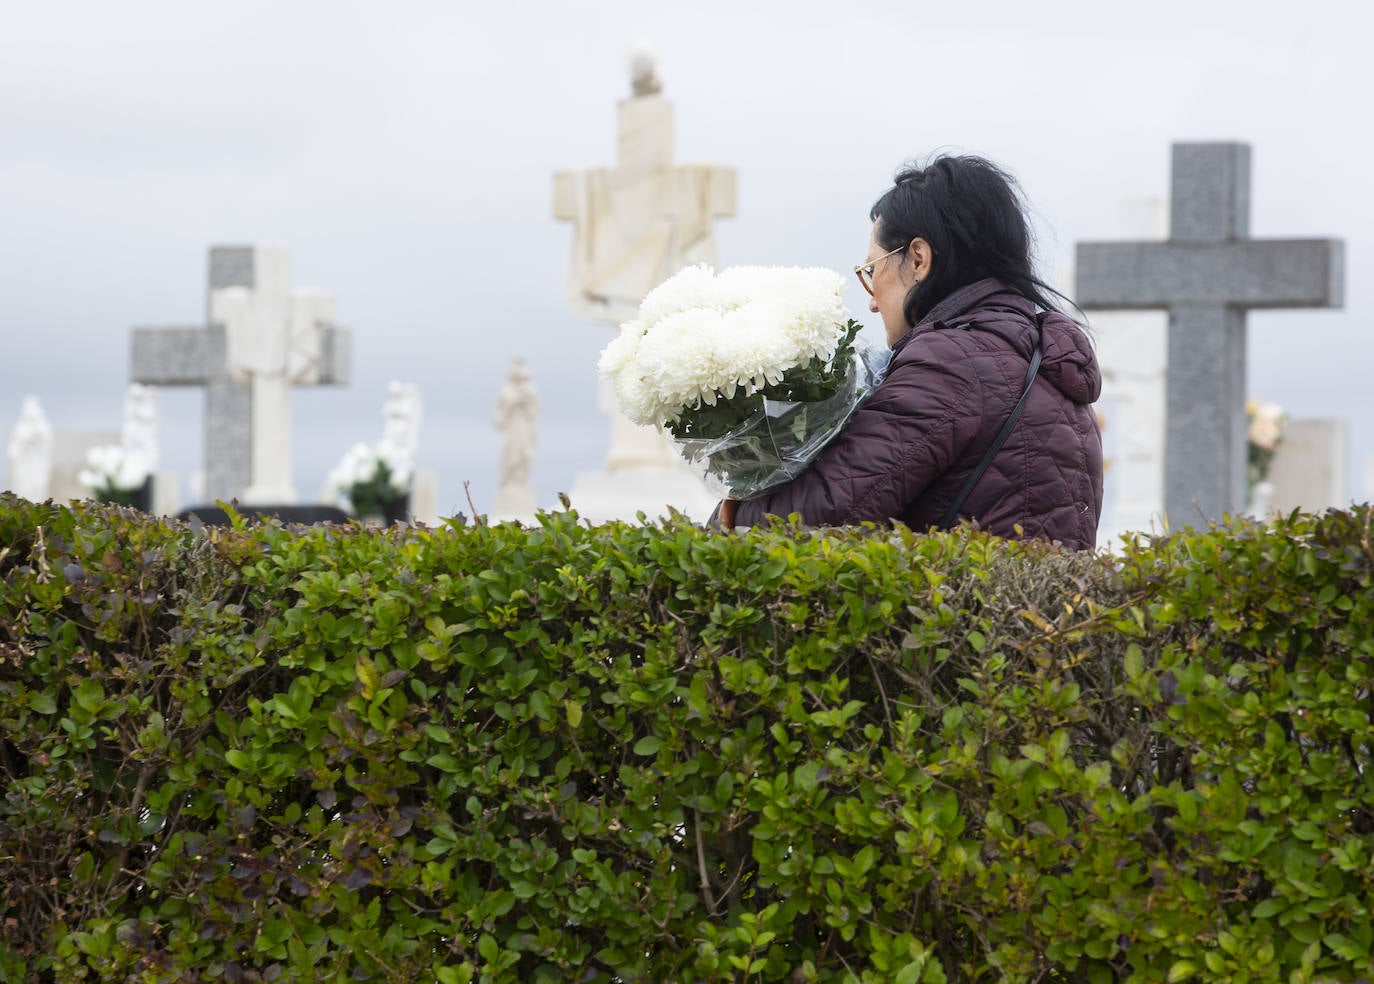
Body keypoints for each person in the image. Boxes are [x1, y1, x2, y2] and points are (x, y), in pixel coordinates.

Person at [716, 155, 1103, 550]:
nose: (870, 303)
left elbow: (828, 510)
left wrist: (729, 514)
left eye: (872, 270)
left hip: (954, 609)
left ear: (918, 259)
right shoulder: (1043, 361)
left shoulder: (954, 362)